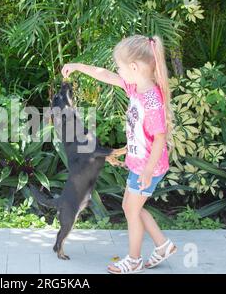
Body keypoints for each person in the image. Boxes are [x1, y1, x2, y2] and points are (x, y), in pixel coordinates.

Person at [61, 34, 177, 274]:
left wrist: (146, 170)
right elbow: (105, 74)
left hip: (149, 166)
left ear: (133, 67)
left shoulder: (151, 101)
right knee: (131, 206)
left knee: (131, 209)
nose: (118, 71)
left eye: (120, 67)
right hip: (140, 164)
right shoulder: (135, 87)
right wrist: (78, 66)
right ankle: (163, 245)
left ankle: (134, 260)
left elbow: (160, 139)